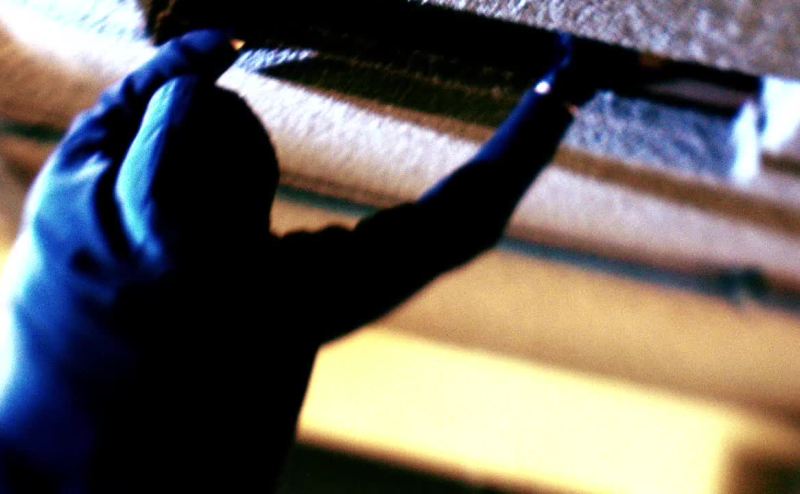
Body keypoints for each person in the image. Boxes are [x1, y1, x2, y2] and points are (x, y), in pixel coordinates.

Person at [0, 29, 597, 492]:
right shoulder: (60, 201)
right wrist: (223, 36)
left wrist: (562, 92)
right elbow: (450, 226)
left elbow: (457, 226)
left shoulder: (69, 200)